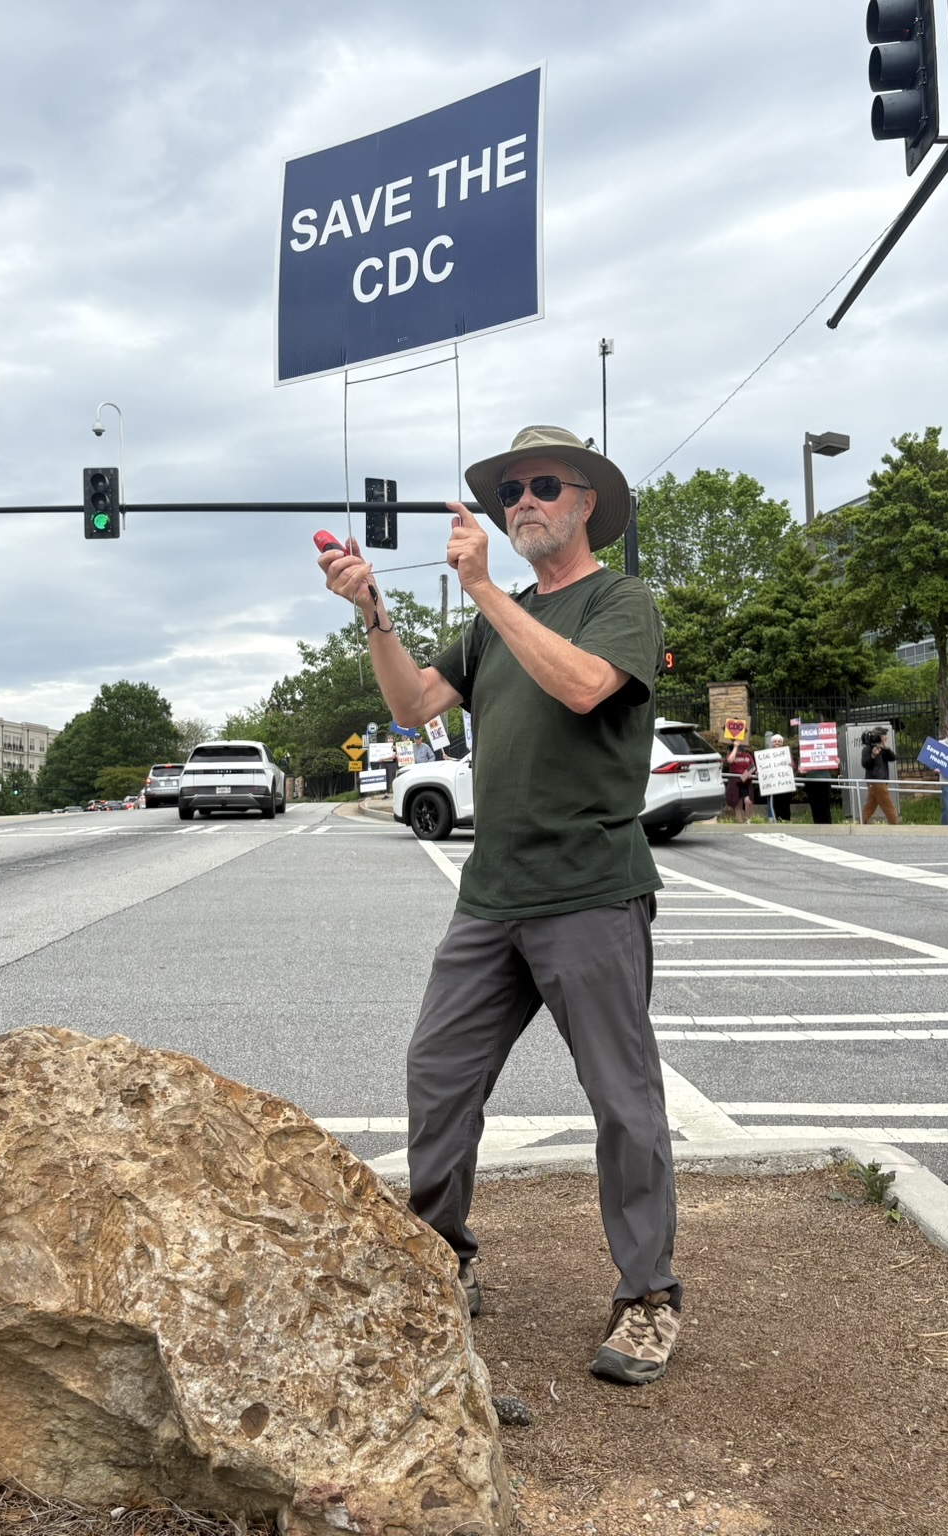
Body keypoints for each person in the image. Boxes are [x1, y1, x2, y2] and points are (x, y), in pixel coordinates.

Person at [318, 423, 681, 1386]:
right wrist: (374, 613)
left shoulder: (621, 602)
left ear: (586, 502)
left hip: (593, 892)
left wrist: (480, 586)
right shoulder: (492, 623)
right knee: (438, 1075)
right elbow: (411, 710)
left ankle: (648, 1297)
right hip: (493, 898)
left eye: (544, 486)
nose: (522, 501)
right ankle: (441, 1260)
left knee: (623, 1102)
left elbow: (584, 688)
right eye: (510, 489)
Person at [859, 727, 898, 825]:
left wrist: (886, 748)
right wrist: (873, 755)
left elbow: (893, 758)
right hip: (876, 781)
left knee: (870, 805)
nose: (886, 738)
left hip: (879, 781)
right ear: (880, 737)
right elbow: (865, 764)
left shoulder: (882, 749)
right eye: (884, 736)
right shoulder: (867, 749)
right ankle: (895, 825)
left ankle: (861, 823)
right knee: (887, 805)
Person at [722, 738, 756, 824]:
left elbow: (753, 767)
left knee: (748, 801)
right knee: (738, 803)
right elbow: (730, 760)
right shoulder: (731, 754)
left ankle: (748, 820)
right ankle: (740, 823)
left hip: (746, 781)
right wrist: (735, 747)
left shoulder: (747, 755)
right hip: (735, 781)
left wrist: (748, 772)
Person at [763, 733, 795, 823]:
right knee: (774, 804)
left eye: (779, 741)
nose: (777, 743)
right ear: (772, 743)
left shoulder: (787, 753)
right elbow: (763, 766)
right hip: (773, 784)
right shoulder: (766, 754)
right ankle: (775, 821)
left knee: (785, 804)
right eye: (775, 741)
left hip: (784, 784)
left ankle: (786, 821)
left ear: (782, 743)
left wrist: (791, 765)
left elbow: (793, 766)